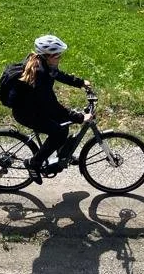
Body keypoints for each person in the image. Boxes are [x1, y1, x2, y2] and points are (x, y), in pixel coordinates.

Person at [11, 34, 92, 184]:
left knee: (63, 124)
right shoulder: (40, 74)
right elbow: (52, 106)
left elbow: (57, 74)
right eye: (58, 55)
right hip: (26, 113)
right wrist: (79, 117)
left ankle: (61, 155)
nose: (60, 58)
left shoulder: (42, 63)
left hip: (33, 107)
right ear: (48, 56)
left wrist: (80, 83)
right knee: (58, 133)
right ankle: (33, 163)